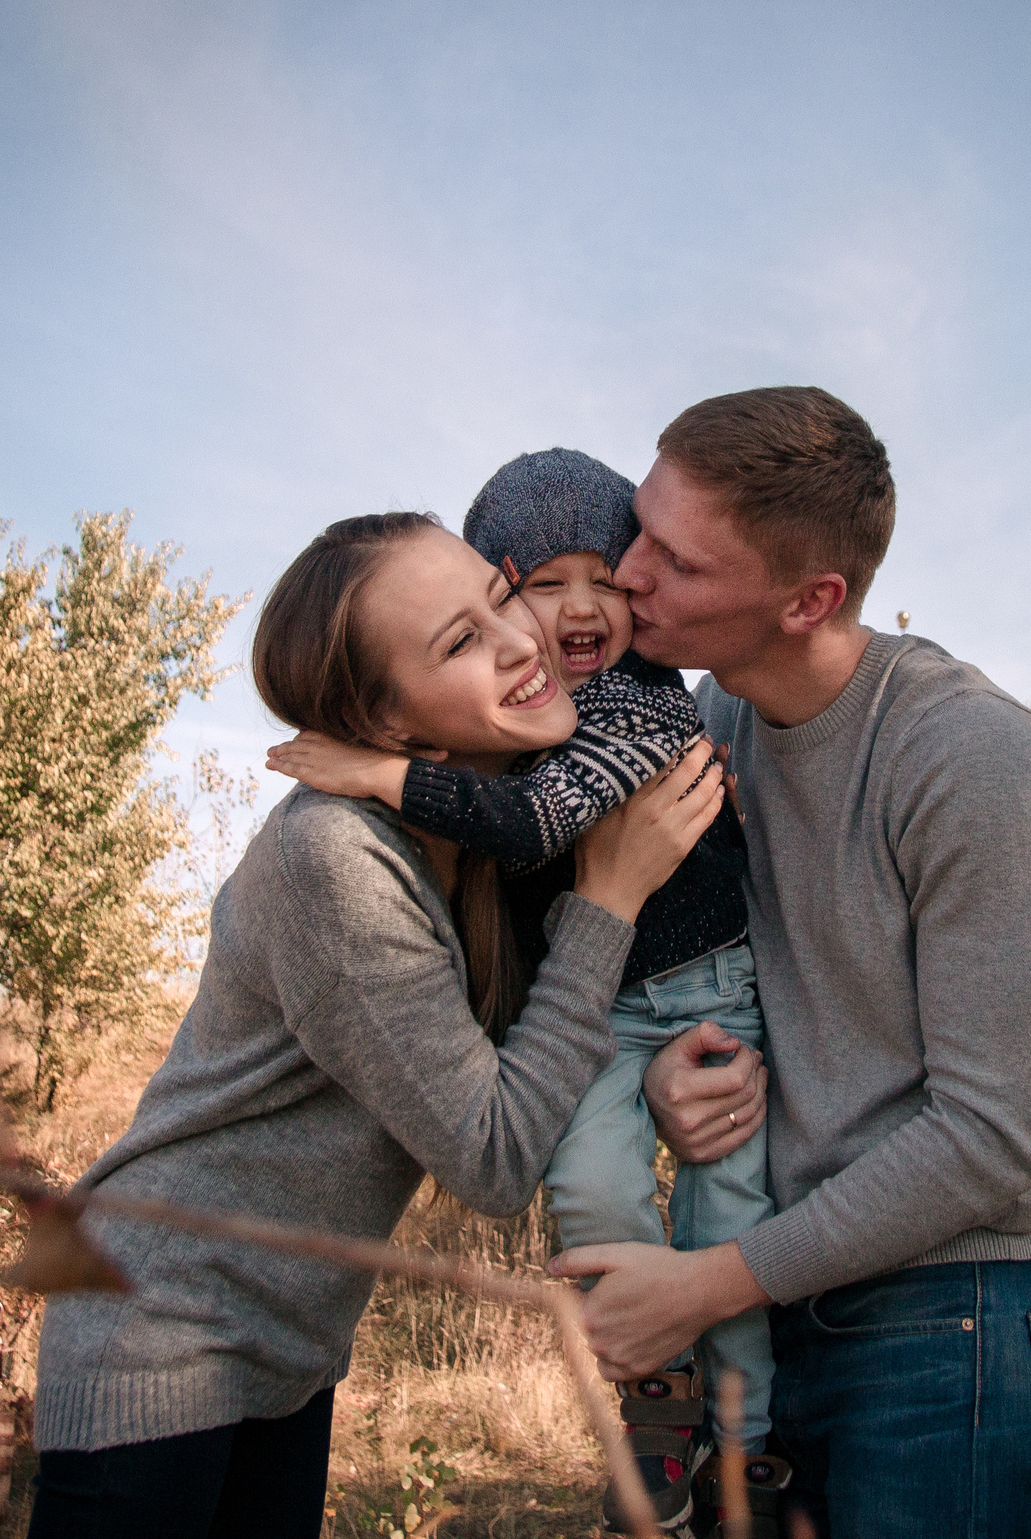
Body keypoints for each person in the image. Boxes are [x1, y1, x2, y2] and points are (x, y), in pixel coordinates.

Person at [28, 511, 723, 1539]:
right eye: (458, 644)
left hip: (290, 1347)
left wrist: (664, 1071)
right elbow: (492, 1158)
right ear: (390, 725)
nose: (520, 643)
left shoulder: (493, 845)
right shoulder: (335, 862)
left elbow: (543, 1055)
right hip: (158, 1337)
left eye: (498, 597)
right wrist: (609, 901)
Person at [549, 387, 1031, 1538]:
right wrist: (664, 1078)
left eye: (677, 563)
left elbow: (995, 1132)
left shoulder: (964, 754)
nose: (628, 573)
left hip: (952, 1320)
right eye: (639, 526)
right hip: (779, 1298)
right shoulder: (705, 725)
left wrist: (708, 1286)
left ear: (809, 599)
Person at [266, 449, 784, 1535]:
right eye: (539, 586)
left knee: (725, 1226)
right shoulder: (498, 749)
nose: (582, 607)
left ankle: (748, 1449)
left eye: (608, 575)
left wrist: (376, 770)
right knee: (592, 1197)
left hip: (707, 990)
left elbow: (541, 822)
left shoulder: (648, 708)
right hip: (597, 1014)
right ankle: (660, 1413)